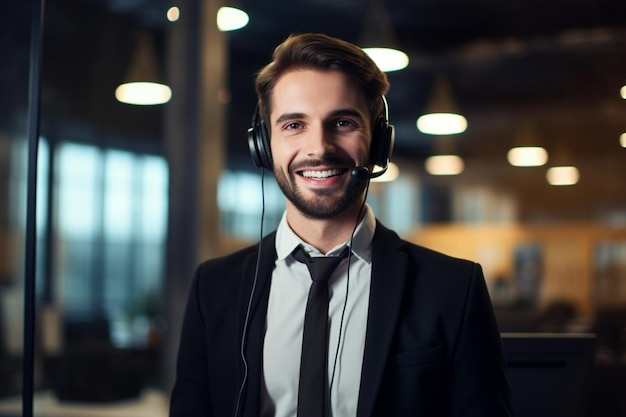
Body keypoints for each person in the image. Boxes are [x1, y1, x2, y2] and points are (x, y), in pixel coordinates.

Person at [170, 33, 513, 417]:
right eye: (294, 125)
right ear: (264, 144)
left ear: (379, 141)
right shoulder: (214, 288)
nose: (319, 148)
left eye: (343, 122)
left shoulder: (453, 289)